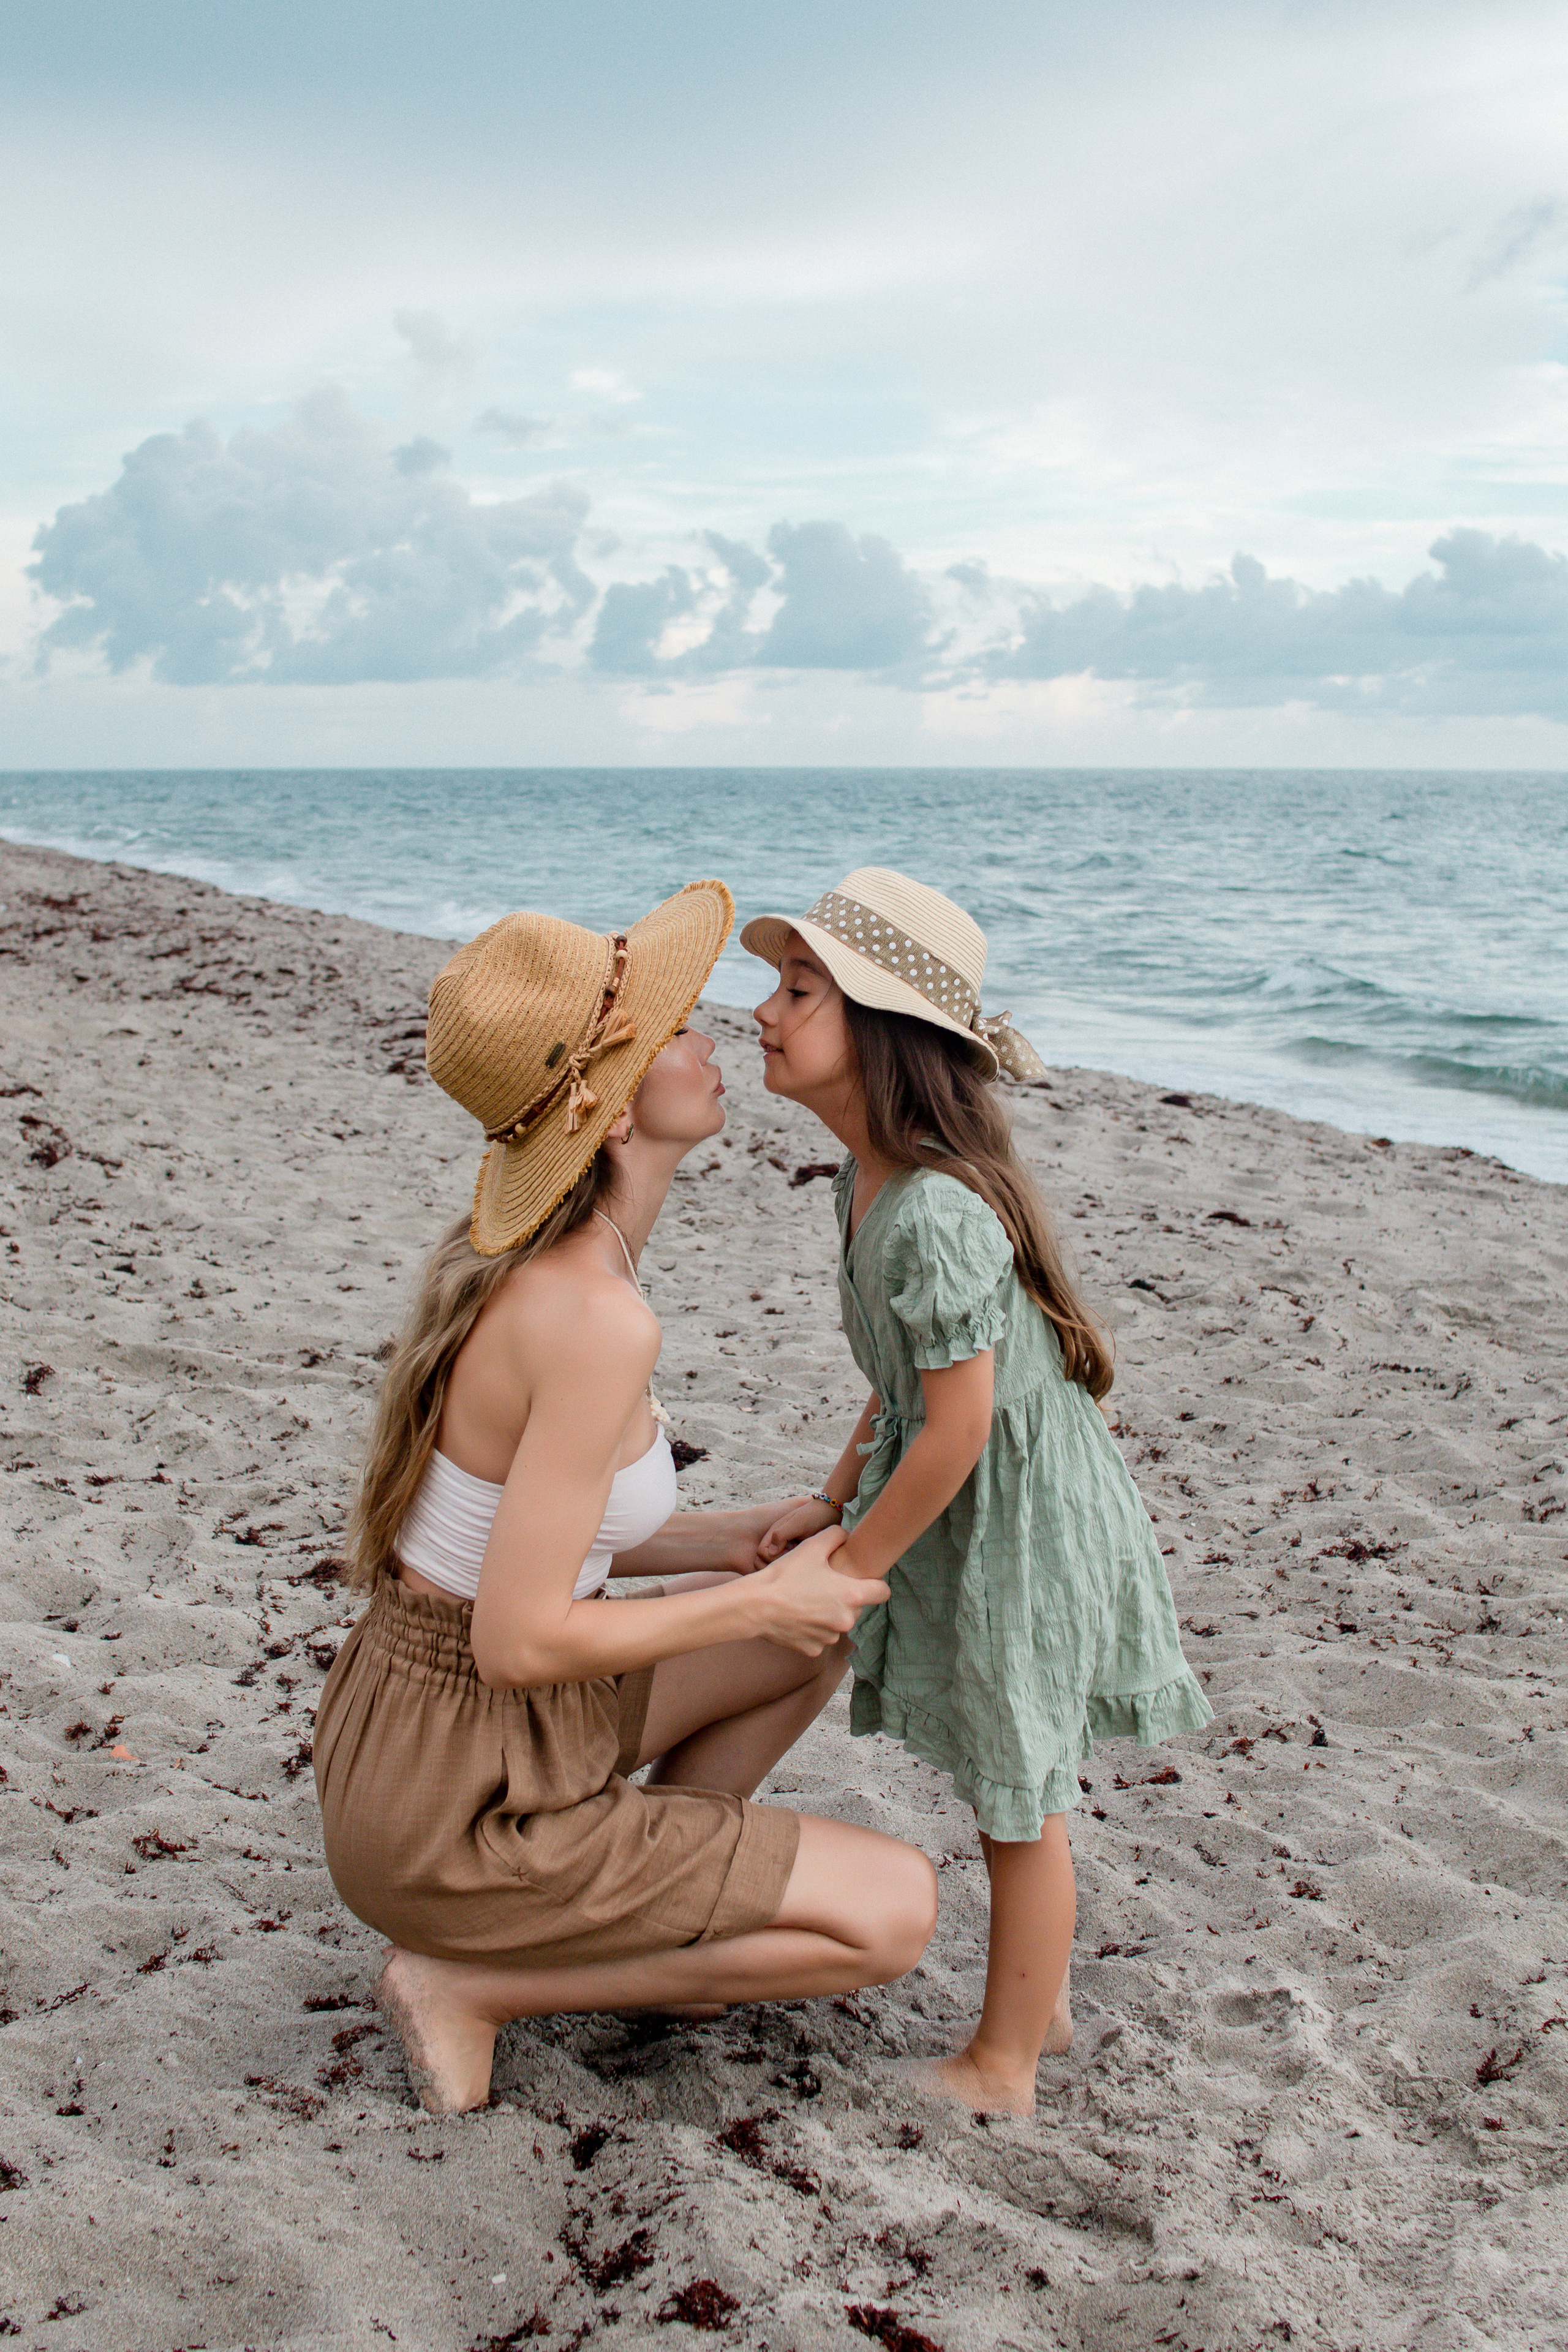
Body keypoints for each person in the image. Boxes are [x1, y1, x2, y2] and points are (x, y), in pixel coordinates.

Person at [314, 880, 937, 2116]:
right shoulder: (591, 1320)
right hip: (458, 1802)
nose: (712, 1038)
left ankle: (633, 1914)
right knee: (892, 1916)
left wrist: (745, 1545)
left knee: (807, 1641)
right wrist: (747, 1605)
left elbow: (528, 1542)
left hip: (427, 1738)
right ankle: (477, 1984)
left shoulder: (540, 1269)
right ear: (605, 1112)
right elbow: (519, 1634)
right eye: (673, 1031)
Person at [745, 867, 1212, 2117]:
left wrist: (853, 1567)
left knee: (1018, 1789)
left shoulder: (938, 1214)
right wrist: (828, 1496)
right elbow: (899, 1390)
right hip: (962, 1483)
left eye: (798, 991)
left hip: (1014, 1505)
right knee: (997, 1767)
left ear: (883, 1036)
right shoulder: (864, 1186)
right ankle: (1035, 2001)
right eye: (773, 986)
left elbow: (953, 1436)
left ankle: (1007, 2063)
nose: (762, 1012)